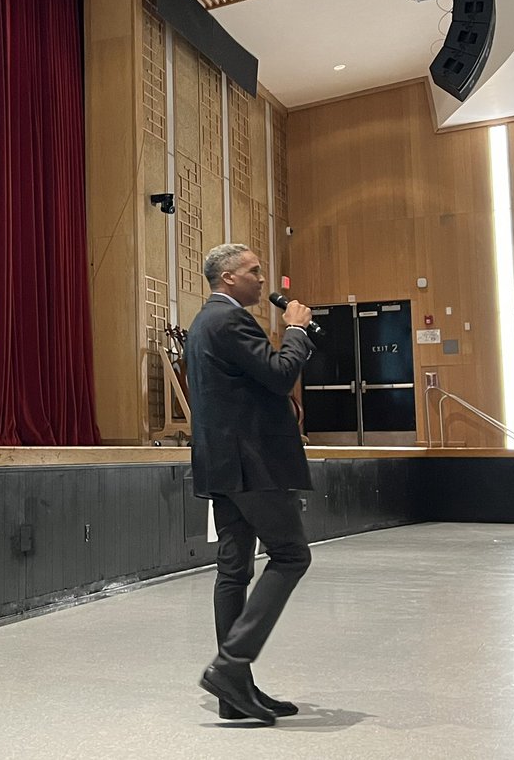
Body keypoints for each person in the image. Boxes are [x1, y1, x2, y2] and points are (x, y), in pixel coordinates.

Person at [185, 243, 315, 725]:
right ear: (226, 278)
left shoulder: (204, 322)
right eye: (254, 272)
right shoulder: (230, 319)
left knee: (234, 569)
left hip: (223, 464)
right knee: (291, 555)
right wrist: (297, 331)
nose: (263, 280)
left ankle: (233, 690)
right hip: (250, 463)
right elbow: (280, 375)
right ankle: (230, 664)